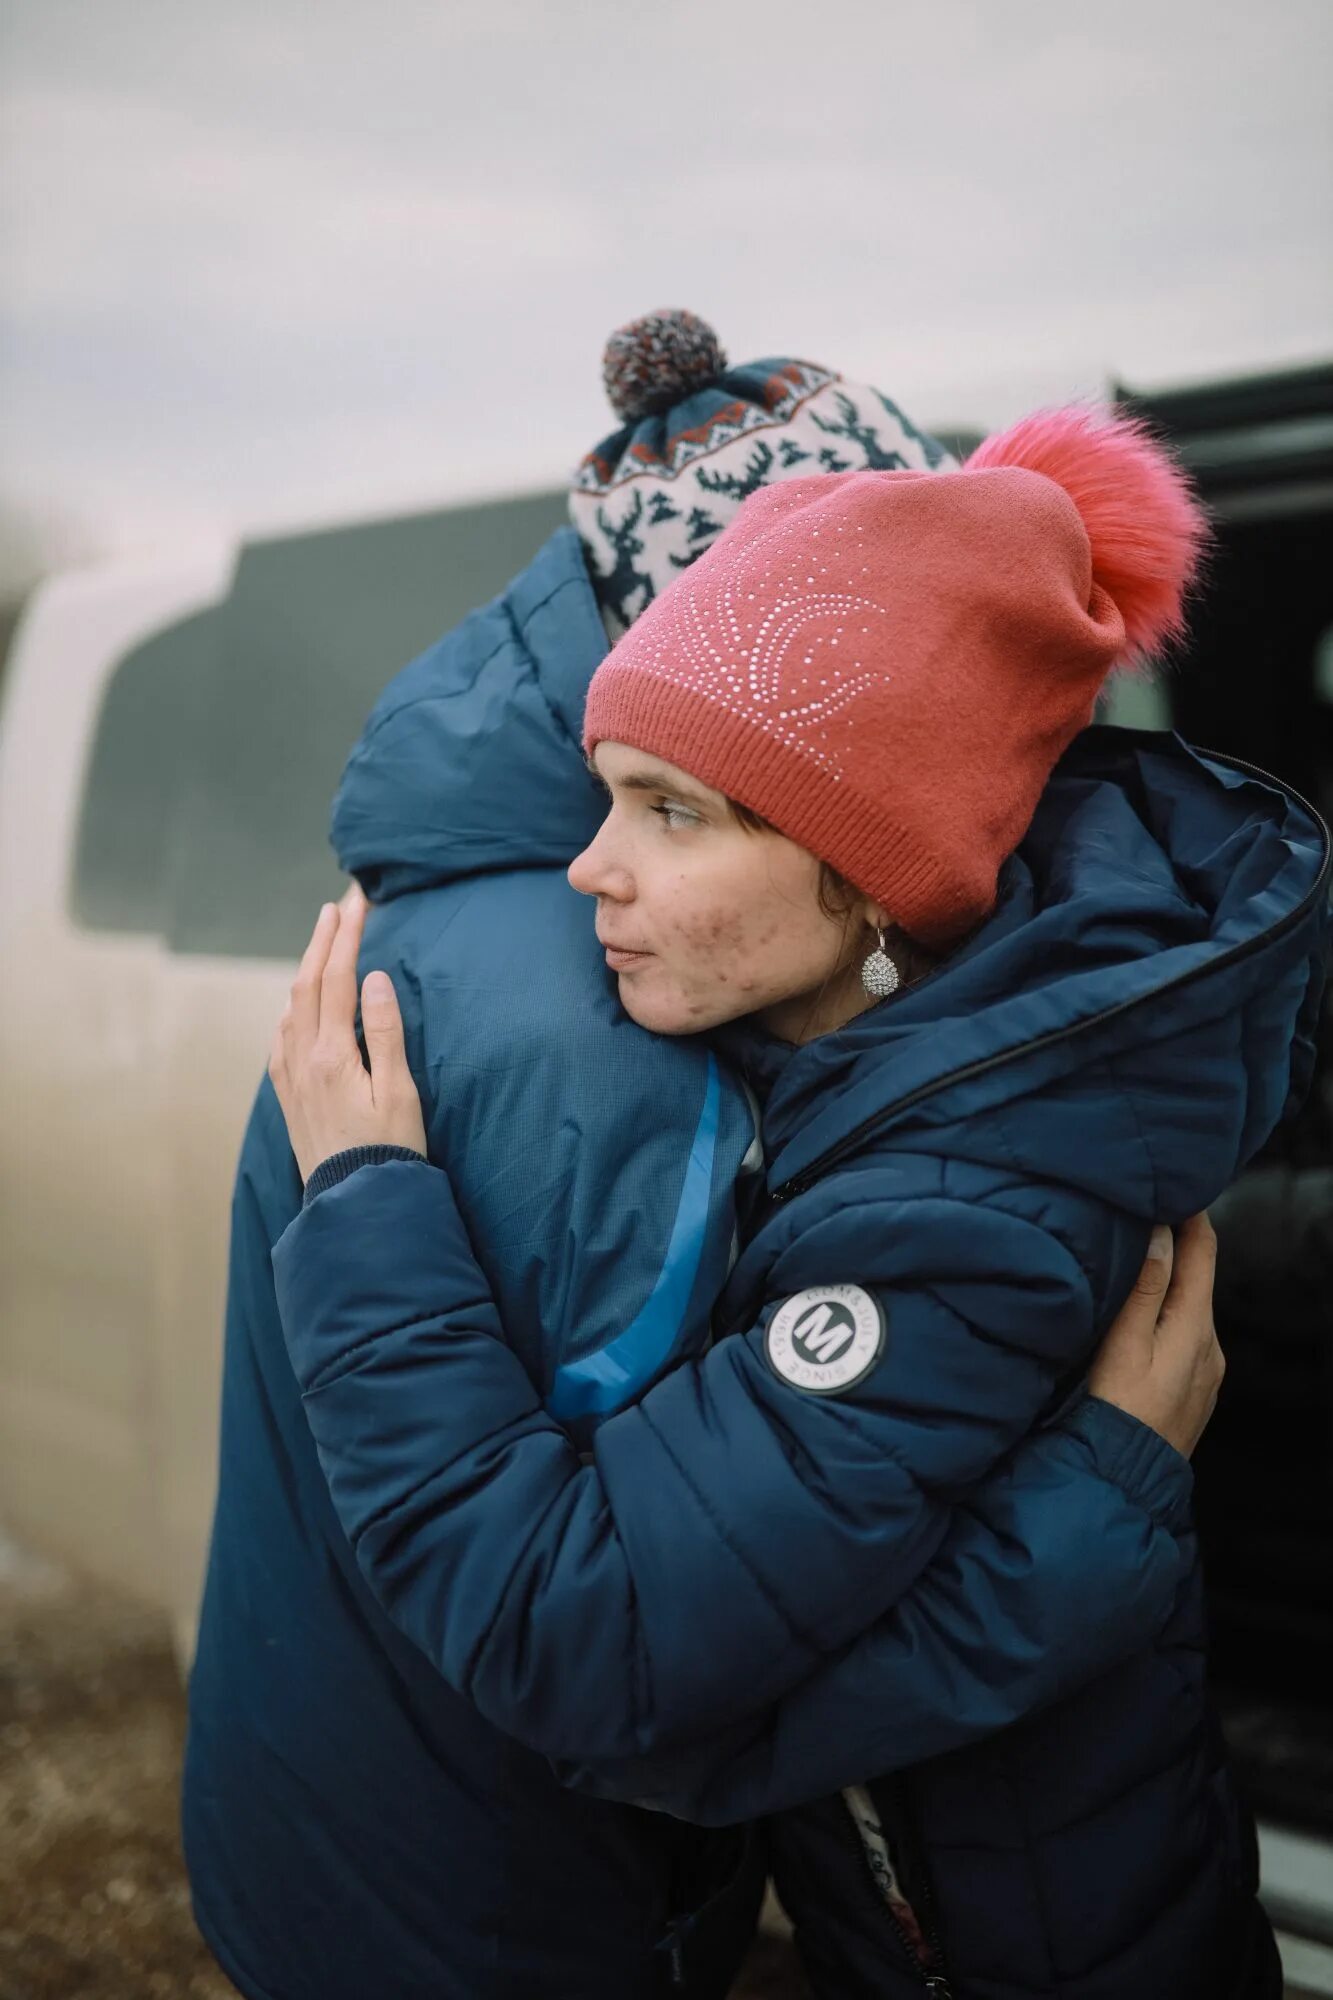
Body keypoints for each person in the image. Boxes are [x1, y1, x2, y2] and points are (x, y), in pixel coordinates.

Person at [266, 401, 1330, 1999]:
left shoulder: (948, 1212)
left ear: (870, 876)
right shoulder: (876, 1071)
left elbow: (586, 1638)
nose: (587, 870)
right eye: (604, 794)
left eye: (671, 811)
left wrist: (362, 1205)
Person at [182, 312, 986, 2000]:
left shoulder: (499, 900)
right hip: (490, 1905)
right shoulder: (614, 1028)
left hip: (352, 1821)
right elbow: (609, 1618)